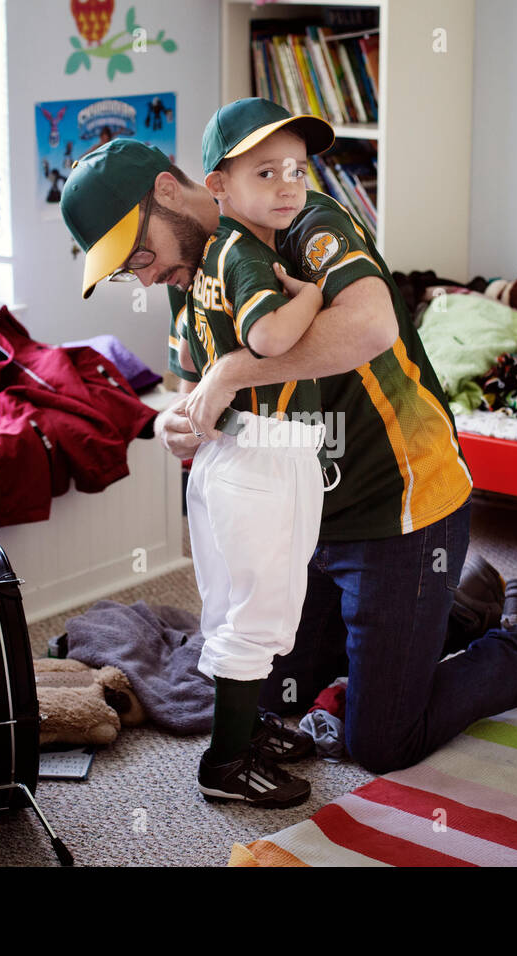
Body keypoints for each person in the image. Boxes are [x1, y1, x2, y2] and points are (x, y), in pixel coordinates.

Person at [60, 102, 517, 778]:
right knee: (281, 693)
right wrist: (177, 418)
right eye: (128, 272)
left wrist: (234, 371)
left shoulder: (306, 225)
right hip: (303, 520)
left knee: (381, 742)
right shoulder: (192, 271)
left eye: (139, 256)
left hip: (399, 507)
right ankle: (455, 605)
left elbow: (370, 327)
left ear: (168, 192)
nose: (146, 277)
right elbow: (188, 380)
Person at [171, 101, 339, 808]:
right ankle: (227, 764)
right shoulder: (246, 255)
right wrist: (315, 296)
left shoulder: (208, 258)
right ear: (218, 185)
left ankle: (248, 725)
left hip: (226, 459)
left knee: (233, 606)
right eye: (265, 172)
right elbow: (269, 339)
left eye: (297, 172)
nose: (288, 187)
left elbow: (185, 350)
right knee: (263, 611)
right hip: (265, 456)